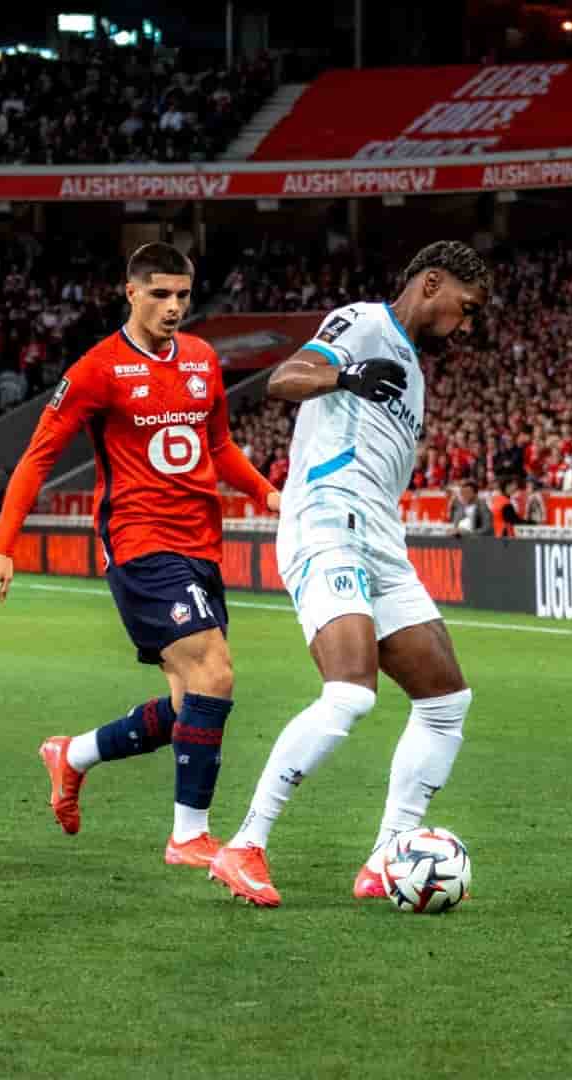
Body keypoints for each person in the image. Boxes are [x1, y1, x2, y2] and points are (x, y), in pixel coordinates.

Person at [0, 243, 281, 869]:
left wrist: (266, 491)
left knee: (184, 706)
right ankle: (189, 836)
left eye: (184, 296)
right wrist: (1, 547)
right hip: (139, 542)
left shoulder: (201, 359)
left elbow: (218, 443)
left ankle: (73, 755)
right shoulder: (97, 369)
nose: (174, 307)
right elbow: (38, 457)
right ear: (131, 292)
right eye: (161, 294)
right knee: (215, 674)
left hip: (200, 543)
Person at [210, 240, 491, 907]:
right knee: (351, 693)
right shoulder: (364, 322)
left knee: (447, 702)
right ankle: (244, 844)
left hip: (381, 541)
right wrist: (346, 376)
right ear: (431, 284)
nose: (469, 324)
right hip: (326, 522)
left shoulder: (416, 375)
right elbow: (286, 378)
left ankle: (388, 855)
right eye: (466, 306)